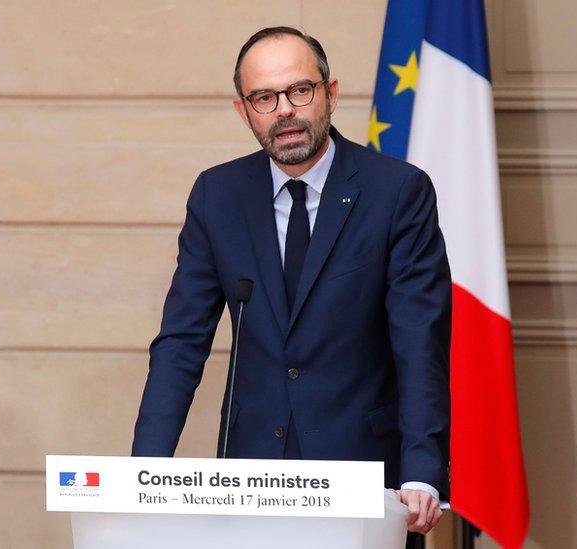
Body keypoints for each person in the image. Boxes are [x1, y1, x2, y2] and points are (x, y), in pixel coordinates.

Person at [132, 27, 450, 537]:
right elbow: (181, 342)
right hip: (250, 478)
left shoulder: (396, 192)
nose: (285, 110)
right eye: (264, 97)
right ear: (244, 111)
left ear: (331, 94)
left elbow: (420, 341)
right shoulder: (218, 195)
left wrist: (422, 470)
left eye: (300, 90)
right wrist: (143, 473)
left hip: (363, 474)